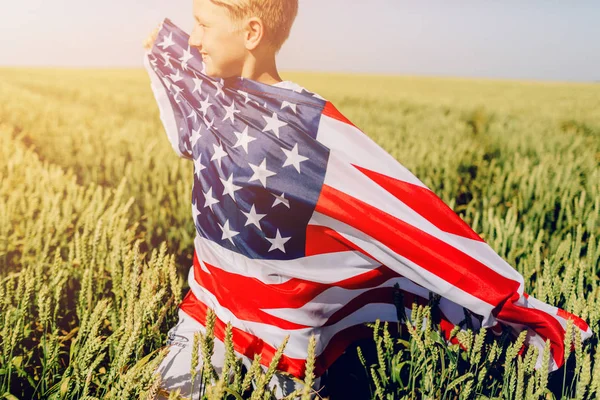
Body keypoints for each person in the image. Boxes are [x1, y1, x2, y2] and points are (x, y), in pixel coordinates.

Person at [144, 1, 327, 398]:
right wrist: (162, 50)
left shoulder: (312, 124)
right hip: (208, 315)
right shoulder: (209, 104)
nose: (193, 39)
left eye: (203, 26)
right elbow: (182, 129)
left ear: (251, 34)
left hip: (288, 337)